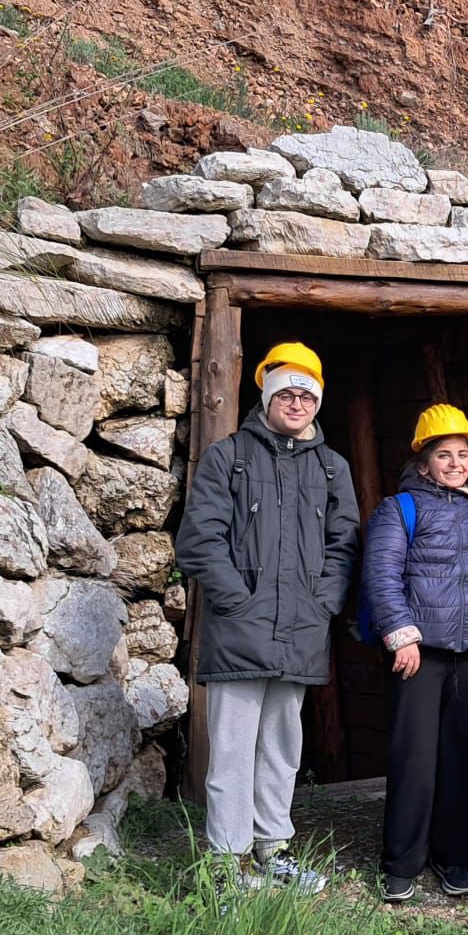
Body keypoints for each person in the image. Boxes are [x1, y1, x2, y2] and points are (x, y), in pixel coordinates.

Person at [175, 341, 360, 893]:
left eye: (307, 393)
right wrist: (238, 598)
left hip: (301, 628)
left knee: (282, 747)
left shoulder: (333, 468)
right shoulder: (229, 456)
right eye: (287, 391)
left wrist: (323, 601)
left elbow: (344, 543)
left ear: (317, 401)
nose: (297, 402)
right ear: (268, 394)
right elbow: (199, 537)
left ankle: (271, 848)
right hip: (240, 628)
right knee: (231, 749)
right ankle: (226, 864)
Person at [360, 404, 468, 903]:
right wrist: (400, 635)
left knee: (465, 760)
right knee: (415, 760)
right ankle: (402, 862)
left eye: (462, 454)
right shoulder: (398, 508)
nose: (455, 463)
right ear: (423, 462)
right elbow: (381, 576)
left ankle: (456, 858)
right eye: (443, 455)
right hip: (420, 654)